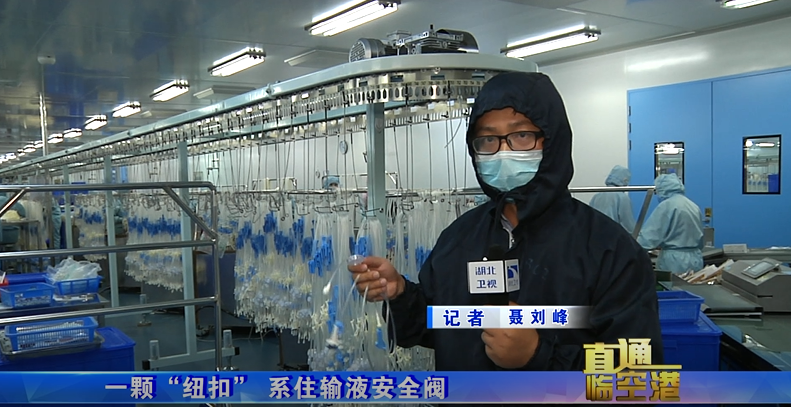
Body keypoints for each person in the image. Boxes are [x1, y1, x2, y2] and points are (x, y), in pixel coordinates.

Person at [348, 72, 663, 375]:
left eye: (521, 135)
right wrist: (400, 294)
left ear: (552, 140)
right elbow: (434, 327)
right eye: (488, 139)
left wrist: (539, 355)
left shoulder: (609, 251)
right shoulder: (458, 238)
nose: (502, 151)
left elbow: (635, 375)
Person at [638, 174, 704, 274]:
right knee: (692, 283)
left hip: (674, 260)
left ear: (662, 189)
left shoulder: (666, 206)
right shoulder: (693, 206)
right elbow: (700, 238)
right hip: (695, 258)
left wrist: (633, 247)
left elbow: (649, 237)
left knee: (673, 283)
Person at [588, 165, 636, 233]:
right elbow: (628, 224)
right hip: (613, 234)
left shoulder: (597, 196)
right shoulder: (622, 197)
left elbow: (589, 217)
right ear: (625, 180)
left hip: (595, 234)